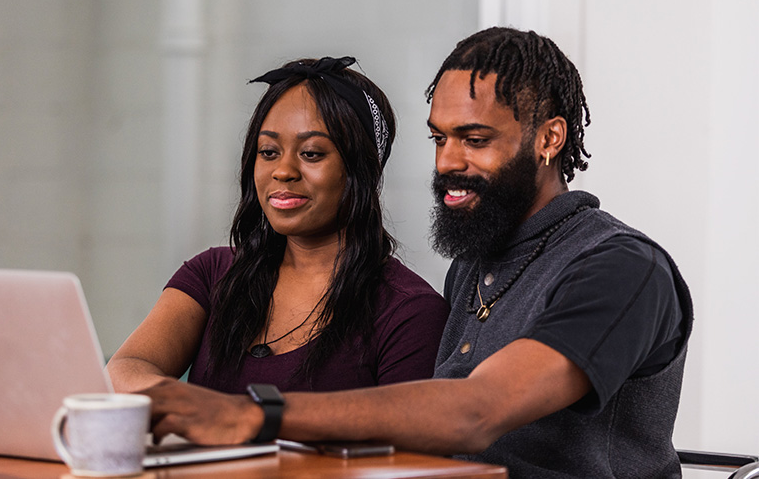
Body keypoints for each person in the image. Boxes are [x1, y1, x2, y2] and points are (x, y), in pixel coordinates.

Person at [140, 29, 693, 478]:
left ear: (549, 139)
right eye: (438, 139)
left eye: (474, 140)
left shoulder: (621, 269)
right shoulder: (475, 270)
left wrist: (253, 415)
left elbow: (478, 411)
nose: (447, 161)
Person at [107, 56, 449, 396]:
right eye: (268, 152)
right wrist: (200, 412)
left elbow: (407, 446)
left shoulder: (409, 312)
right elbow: (124, 371)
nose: (283, 171)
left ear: (361, 169)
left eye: (311, 153)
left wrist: (221, 416)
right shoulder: (212, 274)